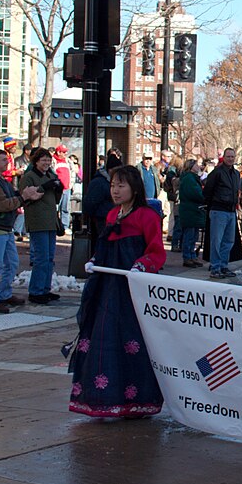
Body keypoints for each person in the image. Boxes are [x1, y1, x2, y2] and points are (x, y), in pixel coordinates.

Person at [69, 165, 166, 418]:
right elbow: (106, 248)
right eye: (113, 185)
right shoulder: (113, 216)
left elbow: (157, 252)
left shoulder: (147, 216)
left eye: (121, 185)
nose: (115, 190)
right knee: (102, 339)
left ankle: (138, 400)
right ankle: (101, 398)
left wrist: (142, 266)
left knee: (133, 339)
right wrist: (94, 260)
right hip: (106, 288)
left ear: (134, 189)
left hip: (131, 290)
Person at [0, 149, 43, 313]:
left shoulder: (0, 179)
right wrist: (23, 197)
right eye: (3, 160)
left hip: (4, 227)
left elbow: (9, 197)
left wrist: (23, 195)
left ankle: (4, 294)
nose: (6, 162)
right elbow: (0, 204)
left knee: (11, 262)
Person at [20, 148, 65, 305]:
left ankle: (45, 289)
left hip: (51, 221)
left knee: (49, 258)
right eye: (43, 160)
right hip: (38, 221)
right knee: (41, 258)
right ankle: (36, 291)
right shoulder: (29, 177)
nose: (46, 163)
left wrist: (59, 188)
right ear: (36, 161)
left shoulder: (51, 176)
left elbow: (56, 200)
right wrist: (43, 187)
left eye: (48, 160)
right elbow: (25, 199)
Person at [202, 147, 242, 278]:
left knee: (228, 241)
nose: (230, 159)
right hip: (218, 210)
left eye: (232, 157)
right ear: (224, 158)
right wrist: (213, 203)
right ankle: (215, 267)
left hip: (231, 211)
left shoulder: (236, 174)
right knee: (216, 241)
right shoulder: (217, 172)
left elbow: (236, 192)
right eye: (228, 156)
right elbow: (208, 190)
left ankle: (224, 266)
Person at [83, 149, 124, 247]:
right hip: (102, 218)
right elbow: (90, 202)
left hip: (112, 218)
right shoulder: (99, 182)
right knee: (105, 243)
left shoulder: (107, 181)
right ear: (110, 170)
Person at [179, 158, 206, 267]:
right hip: (190, 210)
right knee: (189, 236)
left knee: (194, 235)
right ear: (191, 166)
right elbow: (195, 193)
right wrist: (204, 197)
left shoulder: (193, 178)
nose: (198, 166)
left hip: (193, 210)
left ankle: (192, 255)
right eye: (196, 164)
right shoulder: (189, 179)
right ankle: (187, 257)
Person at [163, 154, 183, 250]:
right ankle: (171, 234)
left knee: (172, 215)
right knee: (172, 215)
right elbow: (172, 181)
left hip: (172, 195)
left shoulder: (171, 169)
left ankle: (171, 234)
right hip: (173, 195)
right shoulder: (173, 170)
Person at [12, 142, 31, 240]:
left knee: (25, 210)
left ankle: (24, 231)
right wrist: (15, 188)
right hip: (19, 187)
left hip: (26, 188)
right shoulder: (18, 160)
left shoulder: (30, 161)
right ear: (26, 151)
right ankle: (16, 231)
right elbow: (15, 177)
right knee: (20, 211)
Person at [52, 144, 73, 230]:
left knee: (65, 208)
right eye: (64, 152)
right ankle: (54, 225)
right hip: (57, 189)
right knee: (55, 208)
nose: (65, 153)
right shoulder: (53, 161)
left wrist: (71, 184)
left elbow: (72, 172)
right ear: (58, 152)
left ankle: (65, 226)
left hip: (67, 188)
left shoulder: (68, 161)